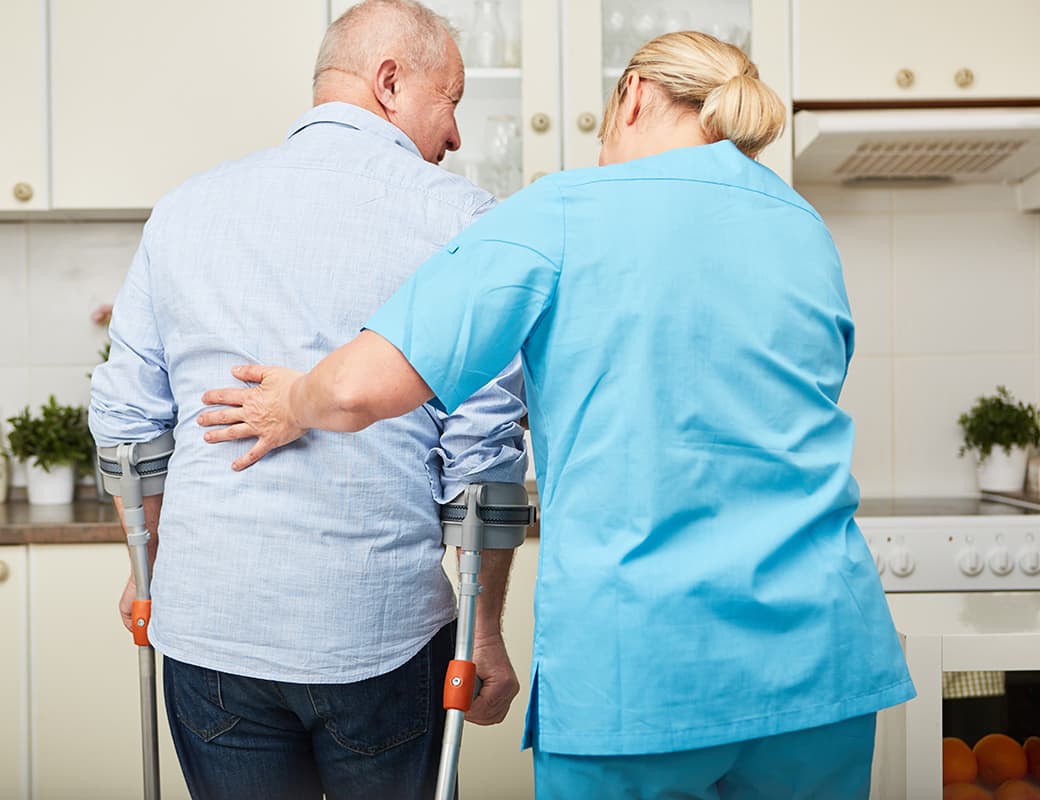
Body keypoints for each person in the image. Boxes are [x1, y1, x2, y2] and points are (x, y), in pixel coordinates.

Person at [197, 30, 917, 800]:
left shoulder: (566, 211)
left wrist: (290, 400)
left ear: (634, 94)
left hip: (639, 678)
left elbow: (357, 389)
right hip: (824, 664)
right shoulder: (802, 225)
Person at [88, 2, 530, 798]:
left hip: (210, 625)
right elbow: (485, 456)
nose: (456, 134)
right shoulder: (461, 220)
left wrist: (144, 566)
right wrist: (485, 632)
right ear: (390, 82)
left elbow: (127, 429)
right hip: (380, 633)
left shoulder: (185, 208)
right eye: (452, 99)